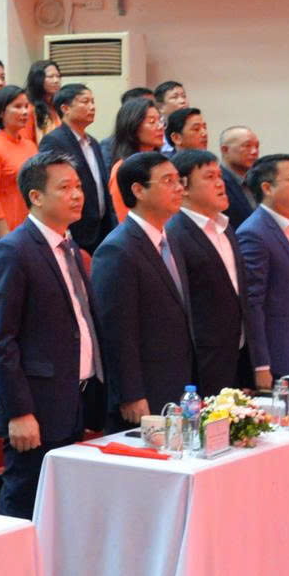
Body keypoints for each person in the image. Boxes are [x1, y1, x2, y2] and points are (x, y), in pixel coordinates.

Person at [0, 155, 107, 518]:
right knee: (24, 500)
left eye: (79, 186)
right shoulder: (13, 251)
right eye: (65, 188)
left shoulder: (70, 248)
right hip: (37, 404)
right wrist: (18, 411)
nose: (77, 195)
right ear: (35, 196)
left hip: (75, 396)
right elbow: (1, 341)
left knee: (60, 505)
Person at [91, 151, 195, 423]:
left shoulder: (170, 239)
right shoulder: (118, 249)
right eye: (168, 181)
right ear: (138, 190)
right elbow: (116, 331)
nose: (179, 188)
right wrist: (130, 393)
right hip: (144, 391)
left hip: (177, 379)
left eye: (179, 180)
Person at [166, 148, 258, 394]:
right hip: (202, 361)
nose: (220, 183)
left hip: (237, 352)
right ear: (183, 187)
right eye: (209, 177)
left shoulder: (226, 227)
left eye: (220, 176)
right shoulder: (175, 234)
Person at [234, 154, 289, 384]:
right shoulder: (254, 233)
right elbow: (253, 305)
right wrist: (261, 364)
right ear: (267, 188)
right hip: (274, 356)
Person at [37, 82, 113, 255]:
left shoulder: (93, 142)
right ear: (65, 108)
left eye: (93, 102)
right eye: (85, 102)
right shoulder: (54, 141)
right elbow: (52, 186)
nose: (92, 107)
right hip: (75, 229)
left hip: (102, 228)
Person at [0, 85, 38, 236]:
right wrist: (2, 228)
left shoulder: (31, 146)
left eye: (26, 106)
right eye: (18, 107)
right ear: (1, 112)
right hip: (9, 226)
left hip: (33, 223)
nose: (25, 112)